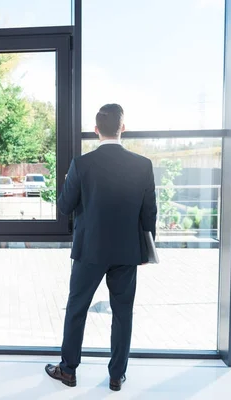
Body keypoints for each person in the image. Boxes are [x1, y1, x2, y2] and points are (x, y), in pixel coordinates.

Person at [45, 104, 157, 391]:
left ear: (96, 130)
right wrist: (146, 251)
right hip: (127, 251)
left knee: (77, 308)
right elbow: (149, 212)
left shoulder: (82, 164)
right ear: (123, 128)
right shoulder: (142, 165)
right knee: (122, 313)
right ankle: (116, 375)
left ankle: (68, 370)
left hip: (89, 250)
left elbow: (64, 206)